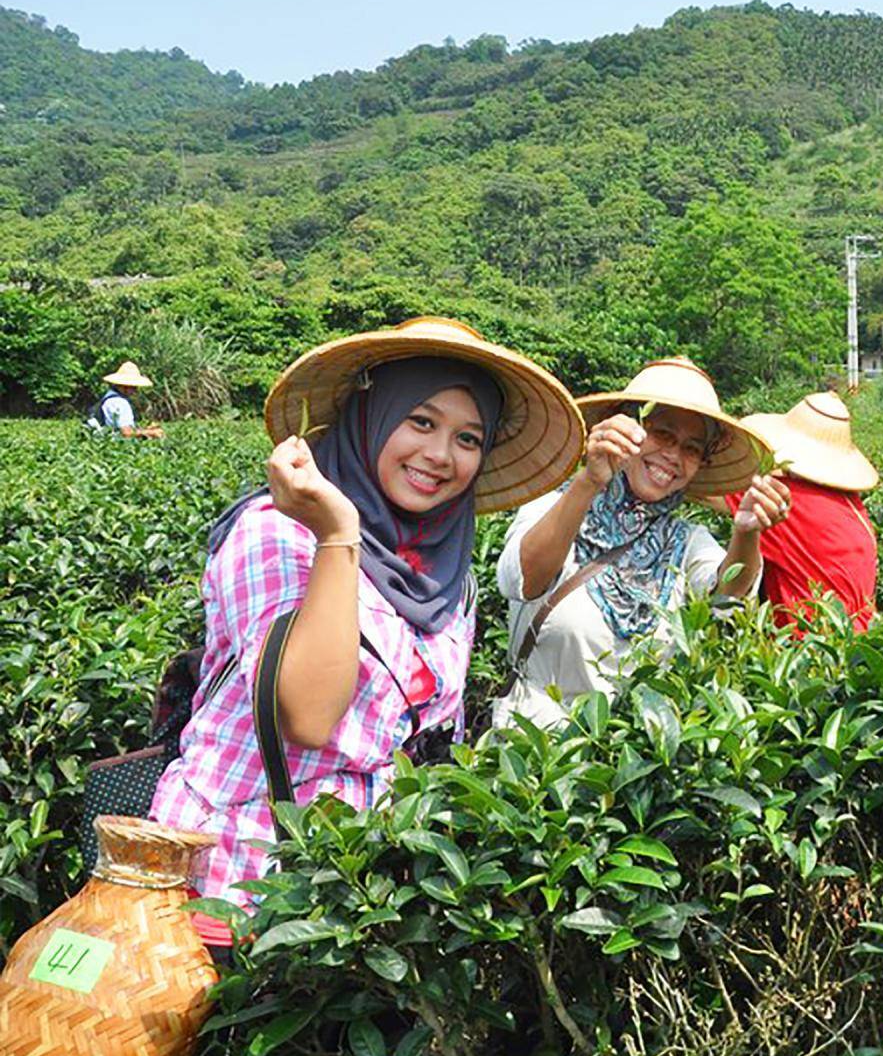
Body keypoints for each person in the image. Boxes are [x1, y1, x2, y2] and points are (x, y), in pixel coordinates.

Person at [150, 317, 583, 947]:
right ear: (370, 417)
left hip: (361, 897)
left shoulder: (443, 575)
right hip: (233, 886)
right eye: (421, 421)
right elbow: (307, 715)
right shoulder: (276, 533)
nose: (440, 455)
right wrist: (337, 532)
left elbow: (433, 736)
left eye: (468, 437)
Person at [491, 357, 791, 729]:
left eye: (692, 448)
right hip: (534, 752)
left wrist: (746, 532)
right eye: (662, 433)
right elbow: (522, 580)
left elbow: (726, 597)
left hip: (631, 765)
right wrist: (589, 482)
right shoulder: (557, 503)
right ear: (628, 426)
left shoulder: (684, 542)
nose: (674, 456)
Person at [722, 391, 879, 632]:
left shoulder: (793, 499)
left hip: (811, 653)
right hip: (859, 643)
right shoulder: (852, 504)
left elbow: (705, 485)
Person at [85, 360, 164, 438]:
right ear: (125, 386)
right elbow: (126, 433)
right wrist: (151, 433)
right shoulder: (120, 403)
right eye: (133, 387)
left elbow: (117, 429)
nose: (135, 390)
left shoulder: (109, 397)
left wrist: (145, 430)